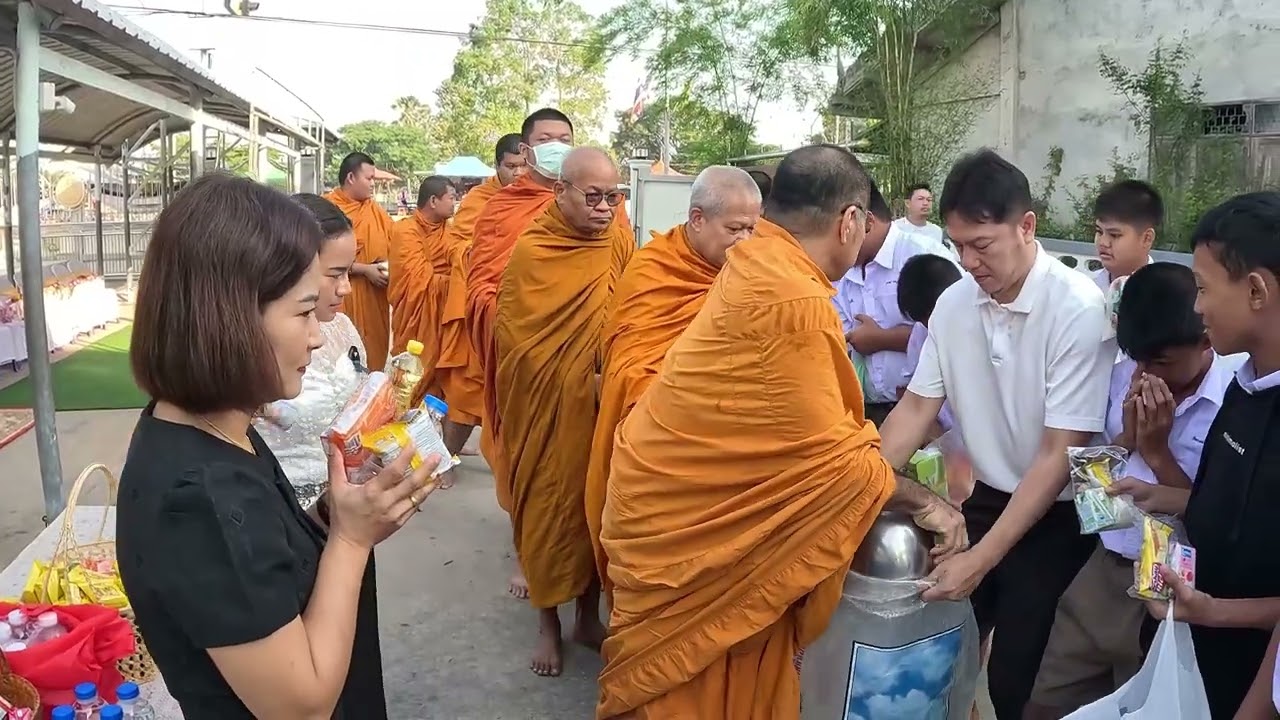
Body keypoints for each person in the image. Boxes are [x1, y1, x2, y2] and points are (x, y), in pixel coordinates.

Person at [595, 145, 966, 719]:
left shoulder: (756, 261)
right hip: (696, 543)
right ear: (849, 222)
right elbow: (837, 467)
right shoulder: (792, 298)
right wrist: (932, 504)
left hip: (670, 516)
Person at [117, 173, 440, 719]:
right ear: (230, 318)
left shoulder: (218, 426)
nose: (317, 334)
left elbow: (266, 555)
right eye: (303, 312)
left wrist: (334, 514)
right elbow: (301, 706)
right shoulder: (197, 497)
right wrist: (353, 541)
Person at [876, 149, 1115, 719]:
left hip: (1059, 515)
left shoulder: (1078, 308)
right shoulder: (955, 305)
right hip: (985, 498)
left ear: (1026, 226)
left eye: (981, 245)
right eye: (958, 245)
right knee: (935, 647)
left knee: (1017, 679)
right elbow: (913, 410)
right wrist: (863, 479)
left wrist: (981, 559)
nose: (969, 261)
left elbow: (1061, 454)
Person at [1025, 262, 1241, 718]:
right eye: (1138, 359)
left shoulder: (1232, 403)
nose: (1146, 373)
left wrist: (1158, 452)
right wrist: (1123, 440)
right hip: (1105, 570)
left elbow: (1214, 516)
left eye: (1161, 362)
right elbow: (1090, 496)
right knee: (1051, 700)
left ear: (1206, 343)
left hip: (1175, 584)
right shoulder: (1121, 376)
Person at [1129, 192, 1280, 718]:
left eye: (1203, 289)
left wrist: (1212, 611)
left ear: (1257, 290)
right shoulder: (1245, 385)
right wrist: (1164, 493)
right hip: (1199, 656)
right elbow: (1229, 509)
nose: (1196, 308)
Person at [585, 165, 761, 609]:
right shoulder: (653, 271)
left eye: (752, 229)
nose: (745, 241)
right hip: (658, 444)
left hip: (725, 450)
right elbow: (628, 369)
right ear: (697, 219)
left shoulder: (754, 274)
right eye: (734, 228)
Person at [494, 147, 635, 677]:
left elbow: (629, 315)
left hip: (601, 407)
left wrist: (615, 375)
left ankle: (587, 617)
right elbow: (518, 345)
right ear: (561, 192)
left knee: (594, 509)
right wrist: (578, 378)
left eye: (613, 198)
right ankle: (548, 623)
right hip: (547, 409)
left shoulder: (619, 240)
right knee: (550, 508)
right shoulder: (535, 250)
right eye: (593, 196)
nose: (604, 208)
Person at [254, 193, 367, 509]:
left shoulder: (342, 327)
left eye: (349, 272)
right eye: (334, 274)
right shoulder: (255, 347)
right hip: (283, 513)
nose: (346, 287)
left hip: (345, 506)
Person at [834, 181, 954, 425]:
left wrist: (880, 339)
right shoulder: (842, 268)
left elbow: (954, 334)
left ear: (866, 222)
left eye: (841, 233)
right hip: (864, 412)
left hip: (930, 418)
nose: (837, 244)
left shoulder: (925, 257)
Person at [436, 133, 525, 460]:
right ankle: (445, 458)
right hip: (480, 304)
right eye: (510, 166)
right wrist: (482, 254)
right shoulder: (480, 199)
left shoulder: (538, 199)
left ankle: (508, 462)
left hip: (521, 307)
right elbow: (456, 246)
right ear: (497, 165)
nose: (517, 174)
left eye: (522, 166)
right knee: (466, 387)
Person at [387, 175, 456, 400]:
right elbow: (414, 278)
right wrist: (457, 282)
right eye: (451, 198)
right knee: (408, 385)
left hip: (444, 322)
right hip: (414, 321)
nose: (454, 203)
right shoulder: (405, 231)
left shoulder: (451, 232)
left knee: (442, 389)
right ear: (433, 201)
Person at [325, 152, 395, 367]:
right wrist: (365, 270)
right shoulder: (327, 209)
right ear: (351, 178)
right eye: (369, 178)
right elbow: (320, 257)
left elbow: (395, 244)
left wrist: (385, 266)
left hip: (374, 300)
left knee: (371, 359)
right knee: (341, 360)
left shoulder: (375, 210)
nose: (373, 184)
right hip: (339, 296)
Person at [896, 252, 961, 436]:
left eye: (932, 318)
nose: (930, 326)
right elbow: (905, 387)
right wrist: (932, 432)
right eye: (923, 321)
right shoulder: (921, 331)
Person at [1091, 179, 1162, 293]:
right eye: (1099, 232)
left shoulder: (1165, 295)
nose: (1103, 242)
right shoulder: (1085, 288)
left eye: (1114, 235)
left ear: (1147, 238)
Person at [893, 182, 948, 251]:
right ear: (907, 203)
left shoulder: (936, 231)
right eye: (920, 199)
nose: (925, 203)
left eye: (929, 200)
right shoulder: (896, 228)